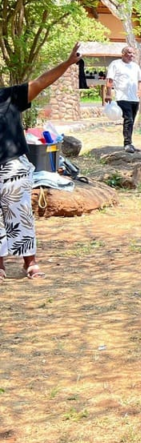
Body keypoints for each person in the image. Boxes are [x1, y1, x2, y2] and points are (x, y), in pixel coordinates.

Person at [0, 43, 82, 281]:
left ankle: (30, 263)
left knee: (20, 212)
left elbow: (40, 82)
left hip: (12, 164)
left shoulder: (8, 96)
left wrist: (68, 63)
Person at [105, 46, 141, 153]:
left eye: (133, 53)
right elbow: (110, 79)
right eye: (129, 53)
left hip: (134, 99)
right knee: (128, 119)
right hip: (122, 97)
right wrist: (108, 94)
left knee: (131, 121)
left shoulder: (135, 66)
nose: (131, 55)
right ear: (123, 53)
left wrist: (139, 91)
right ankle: (127, 144)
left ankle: (130, 142)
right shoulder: (115, 64)